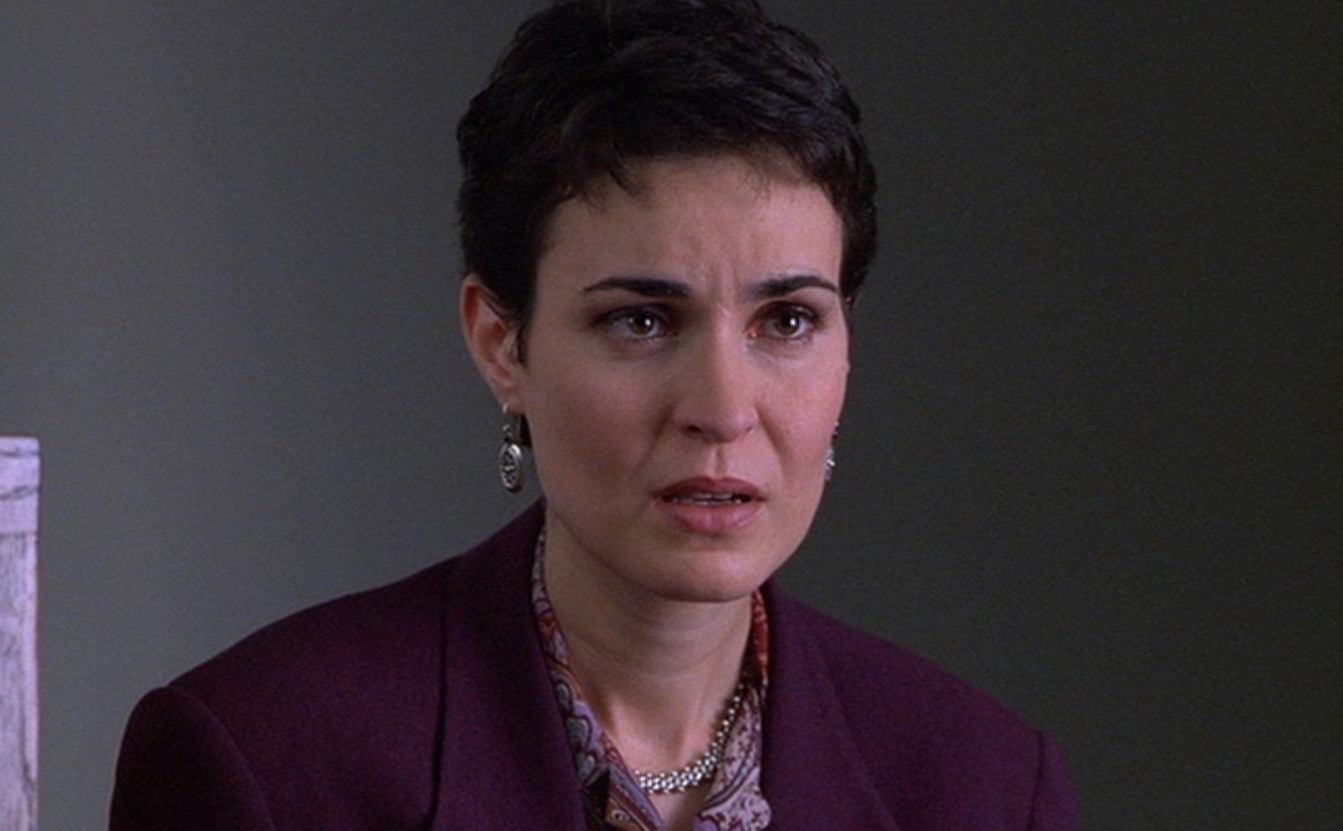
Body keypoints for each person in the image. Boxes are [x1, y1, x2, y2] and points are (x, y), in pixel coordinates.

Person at [110, 1, 1077, 828]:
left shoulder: (988, 787)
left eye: (787, 320)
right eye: (642, 320)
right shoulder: (262, 759)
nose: (723, 410)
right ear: (502, 343)